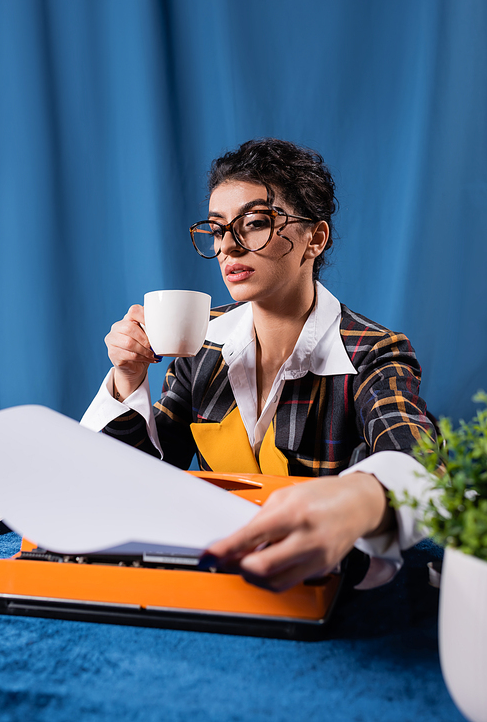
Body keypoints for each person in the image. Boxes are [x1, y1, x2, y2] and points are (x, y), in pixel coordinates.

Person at [81, 138, 435, 592]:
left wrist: (363, 498)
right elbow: (141, 481)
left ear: (315, 238)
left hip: (331, 588)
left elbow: (418, 464)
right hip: (213, 579)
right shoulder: (201, 342)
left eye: (254, 223)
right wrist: (128, 377)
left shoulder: (374, 351)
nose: (228, 246)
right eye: (216, 229)